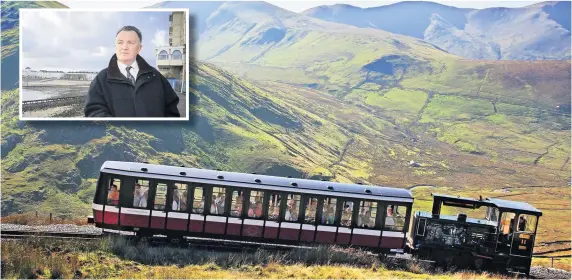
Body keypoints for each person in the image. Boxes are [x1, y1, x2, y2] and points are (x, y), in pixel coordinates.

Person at [84, 25, 180, 118]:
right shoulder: (101, 79)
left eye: (130, 42)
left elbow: (172, 110)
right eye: (120, 42)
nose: (124, 47)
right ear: (115, 46)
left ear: (139, 48)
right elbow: (94, 112)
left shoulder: (155, 76)